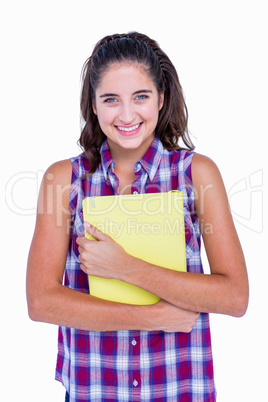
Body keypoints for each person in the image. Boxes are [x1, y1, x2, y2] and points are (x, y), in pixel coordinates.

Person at [26, 32, 249, 401]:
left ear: (161, 98)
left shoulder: (197, 174)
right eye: (111, 99)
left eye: (140, 97)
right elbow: (41, 301)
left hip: (179, 389)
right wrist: (154, 317)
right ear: (93, 106)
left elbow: (235, 297)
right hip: (94, 390)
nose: (127, 115)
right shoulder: (64, 180)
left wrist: (127, 268)